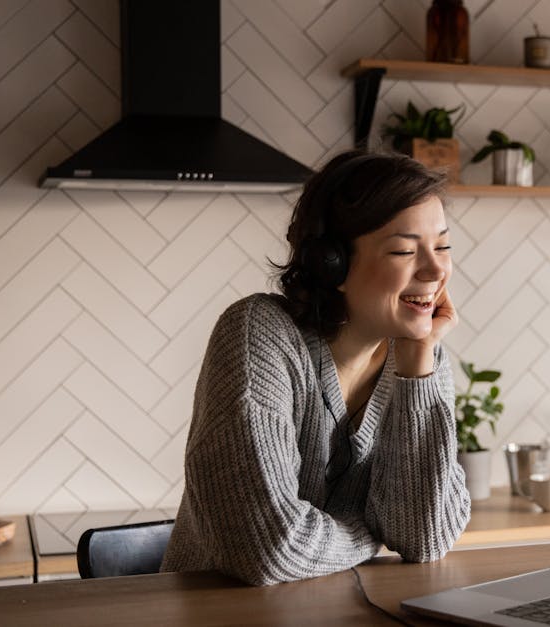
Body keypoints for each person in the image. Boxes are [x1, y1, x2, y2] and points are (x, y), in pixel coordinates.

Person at [161, 150, 471, 585]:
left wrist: (418, 369)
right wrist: (370, 532)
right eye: (404, 250)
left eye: (442, 246)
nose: (436, 269)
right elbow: (268, 548)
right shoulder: (259, 334)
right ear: (332, 265)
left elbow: (424, 538)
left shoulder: (422, 358)